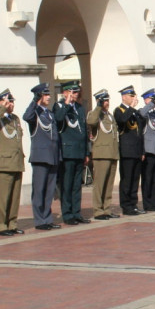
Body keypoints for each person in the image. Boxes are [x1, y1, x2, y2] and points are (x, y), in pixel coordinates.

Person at [0, 89, 25, 236]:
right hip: (3, 164)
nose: (11, 104)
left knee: (14, 197)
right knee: (3, 197)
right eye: (8, 101)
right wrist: (1, 108)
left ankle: (12, 223)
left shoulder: (15, 119)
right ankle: (1, 226)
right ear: (1, 102)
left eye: (12, 101)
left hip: (16, 162)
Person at [23, 82, 61, 230]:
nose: (48, 97)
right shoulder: (36, 113)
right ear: (39, 96)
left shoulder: (49, 113)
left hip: (52, 156)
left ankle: (47, 218)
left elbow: (55, 136)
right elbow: (26, 116)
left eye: (48, 94)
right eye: (45, 94)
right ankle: (39, 220)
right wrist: (34, 101)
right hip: (40, 156)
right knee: (39, 190)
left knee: (49, 190)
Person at [55, 81, 90, 224]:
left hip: (79, 150)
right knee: (67, 184)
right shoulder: (59, 106)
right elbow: (58, 119)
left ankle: (76, 212)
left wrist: (87, 152)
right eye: (73, 92)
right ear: (65, 93)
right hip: (68, 151)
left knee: (77, 185)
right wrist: (67, 104)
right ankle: (67, 214)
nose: (75, 95)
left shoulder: (80, 108)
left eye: (76, 92)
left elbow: (84, 131)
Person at [87, 89, 120, 220]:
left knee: (109, 184)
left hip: (112, 153)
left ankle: (106, 208)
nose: (107, 103)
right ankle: (98, 210)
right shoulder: (95, 114)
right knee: (100, 184)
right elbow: (91, 122)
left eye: (107, 100)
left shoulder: (109, 116)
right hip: (101, 154)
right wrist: (98, 107)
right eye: (104, 100)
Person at [114, 85, 145, 215]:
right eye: (131, 96)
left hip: (136, 150)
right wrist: (131, 108)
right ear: (124, 97)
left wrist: (142, 151)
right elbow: (122, 121)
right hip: (126, 150)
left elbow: (140, 130)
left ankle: (133, 204)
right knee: (127, 180)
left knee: (135, 179)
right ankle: (126, 206)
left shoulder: (134, 112)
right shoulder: (119, 110)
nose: (133, 98)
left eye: (134, 96)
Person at [139, 89, 155, 211]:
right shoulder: (143, 112)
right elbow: (141, 115)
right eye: (152, 99)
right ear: (146, 100)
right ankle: (147, 203)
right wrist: (149, 105)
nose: (154, 102)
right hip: (148, 150)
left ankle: (154, 203)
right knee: (147, 178)